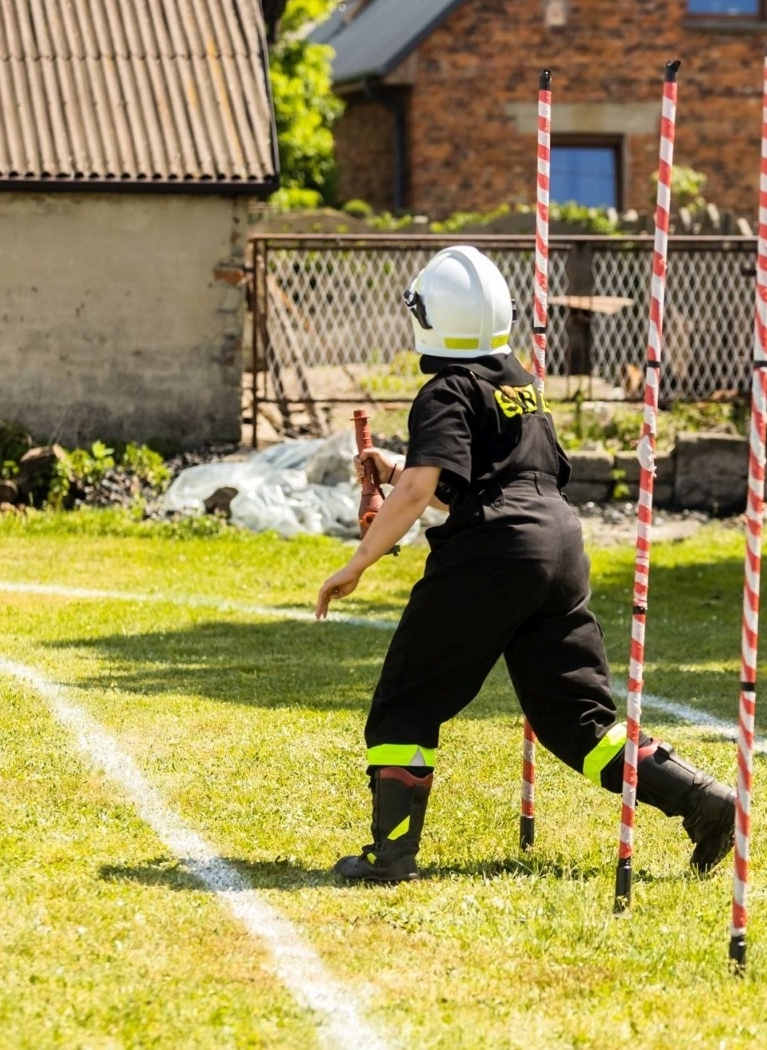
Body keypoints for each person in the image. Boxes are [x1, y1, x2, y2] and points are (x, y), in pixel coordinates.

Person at [315, 245, 735, 883]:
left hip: (493, 553)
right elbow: (503, 475)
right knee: (577, 719)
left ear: (430, 319)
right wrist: (400, 465)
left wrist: (359, 563)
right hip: (559, 546)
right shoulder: (521, 385)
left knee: (407, 700)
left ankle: (391, 855)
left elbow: (423, 493)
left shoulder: (444, 389)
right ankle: (703, 801)